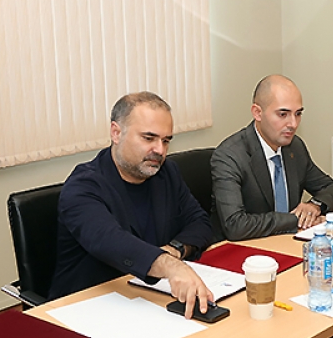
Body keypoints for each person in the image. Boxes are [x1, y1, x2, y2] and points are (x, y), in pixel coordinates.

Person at [52, 92, 214, 316]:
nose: (160, 150)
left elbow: (200, 222)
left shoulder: (166, 173)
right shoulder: (83, 186)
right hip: (87, 306)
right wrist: (170, 266)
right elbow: (111, 241)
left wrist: (173, 251)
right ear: (116, 133)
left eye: (166, 141)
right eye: (149, 138)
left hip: (147, 300)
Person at [212, 75, 333, 241]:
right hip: (245, 247)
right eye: (283, 114)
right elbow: (235, 225)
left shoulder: (294, 147)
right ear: (257, 113)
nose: (293, 124)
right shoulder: (229, 156)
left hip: (287, 242)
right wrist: (296, 220)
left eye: (298, 114)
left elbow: (331, 188)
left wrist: (314, 206)